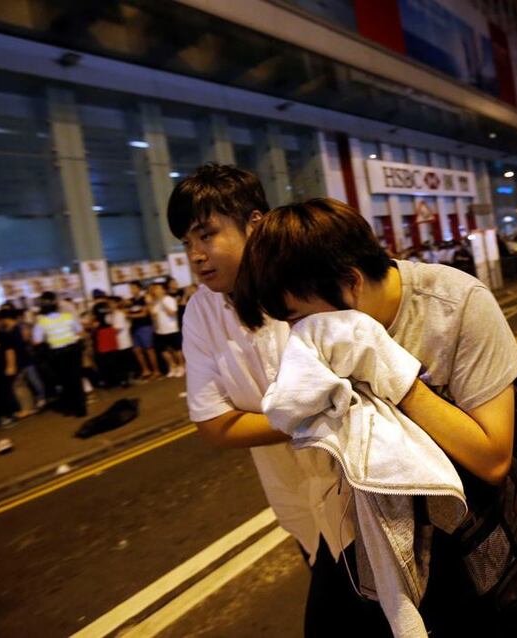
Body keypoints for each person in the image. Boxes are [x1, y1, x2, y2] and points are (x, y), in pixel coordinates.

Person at [234, 198, 517, 637]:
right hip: (395, 543)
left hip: (495, 545)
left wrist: (394, 375)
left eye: (299, 317)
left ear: (351, 283)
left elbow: (492, 458)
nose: (298, 335)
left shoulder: (456, 304)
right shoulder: (326, 327)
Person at [167, 165, 364, 634]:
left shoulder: (310, 279)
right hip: (303, 512)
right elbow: (214, 424)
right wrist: (315, 415)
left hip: (368, 494)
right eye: (186, 244)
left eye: (206, 235)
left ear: (255, 222)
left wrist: (280, 419)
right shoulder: (201, 312)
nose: (196, 255)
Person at [32, 291, 86, 417]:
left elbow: (36, 341)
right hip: (73, 351)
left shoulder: (42, 321)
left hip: (57, 354)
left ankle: (70, 407)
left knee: (64, 381)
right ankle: (81, 409)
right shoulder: (67, 317)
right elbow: (80, 332)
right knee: (76, 379)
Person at [0, 309, 45, 414]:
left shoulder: (18, 328)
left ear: (5, 319)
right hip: (22, 358)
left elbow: (27, 340)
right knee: (30, 380)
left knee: (33, 379)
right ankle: (38, 399)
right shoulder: (13, 329)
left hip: (26, 358)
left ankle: (42, 397)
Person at [148, 282, 185, 378]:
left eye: (158, 289)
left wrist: (162, 302)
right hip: (160, 330)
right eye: (155, 289)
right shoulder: (155, 302)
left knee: (177, 349)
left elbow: (172, 313)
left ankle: (181, 366)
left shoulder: (169, 299)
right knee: (163, 351)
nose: (155, 291)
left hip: (171, 329)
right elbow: (153, 315)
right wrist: (151, 304)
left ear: (163, 290)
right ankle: (172, 366)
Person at [127, 281, 158, 379]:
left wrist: (129, 315)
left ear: (138, 288)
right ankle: (146, 371)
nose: (131, 290)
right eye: (130, 288)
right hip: (135, 328)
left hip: (145, 326)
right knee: (137, 350)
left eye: (133, 288)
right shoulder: (130, 301)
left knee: (149, 349)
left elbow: (144, 314)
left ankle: (156, 371)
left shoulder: (145, 298)